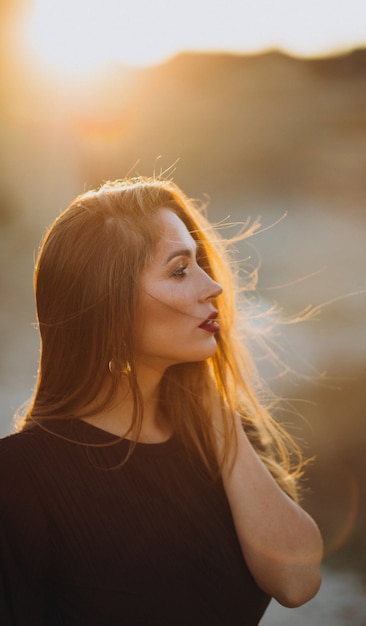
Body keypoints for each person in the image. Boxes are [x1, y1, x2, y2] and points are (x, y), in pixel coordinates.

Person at [0, 177, 323, 625]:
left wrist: (213, 405)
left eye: (200, 264)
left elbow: (297, 582)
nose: (214, 287)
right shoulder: (18, 478)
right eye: (178, 270)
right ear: (108, 303)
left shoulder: (223, 437)